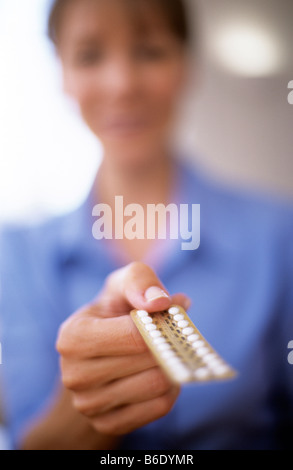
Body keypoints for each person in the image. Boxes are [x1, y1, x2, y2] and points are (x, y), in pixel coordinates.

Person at [0, 0, 293, 450]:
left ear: (186, 66)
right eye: (90, 55)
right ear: (62, 75)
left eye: (150, 51)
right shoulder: (14, 255)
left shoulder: (280, 236)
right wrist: (85, 405)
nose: (122, 84)